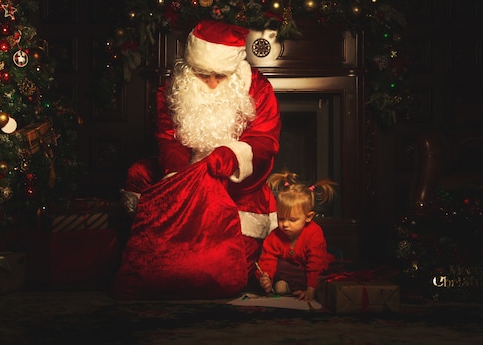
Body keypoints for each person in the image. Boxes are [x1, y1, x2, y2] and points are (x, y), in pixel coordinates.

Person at [111, 19, 281, 299]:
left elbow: (265, 142)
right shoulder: (172, 89)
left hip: (235, 182)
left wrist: (228, 158)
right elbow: (168, 138)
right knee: (141, 173)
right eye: (204, 75)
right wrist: (178, 174)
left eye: (220, 76)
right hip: (186, 171)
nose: (212, 83)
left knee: (225, 265)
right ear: (191, 67)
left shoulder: (257, 88)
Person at [255, 170, 336, 302]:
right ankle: (285, 286)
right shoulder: (276, 235)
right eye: (281, 219)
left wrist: (311, 290)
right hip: (289, 272)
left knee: (322, 269)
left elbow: (315, 263)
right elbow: (267, 258)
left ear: (308, 217)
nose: (285, 224)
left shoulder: (314, 233)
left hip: (308, 271)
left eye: (292, 220)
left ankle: (307, 287)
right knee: (279, 266)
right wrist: (265, 277)